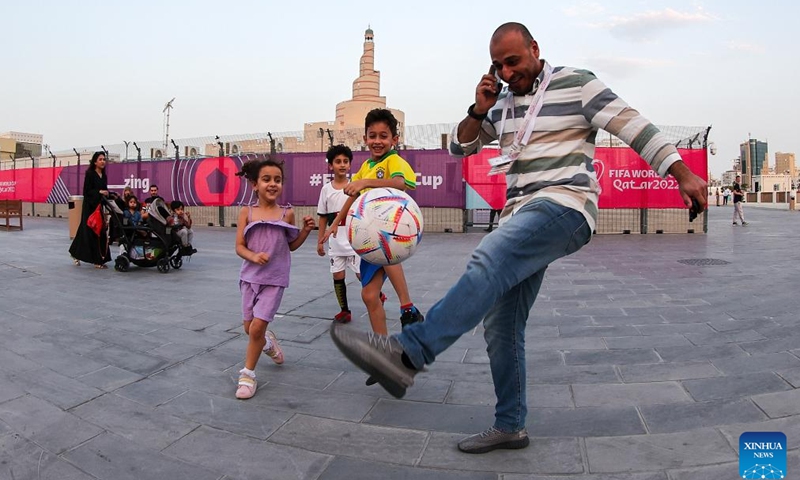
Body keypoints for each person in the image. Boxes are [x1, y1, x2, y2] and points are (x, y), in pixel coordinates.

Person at [329, 22, 707, 454]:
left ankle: (407, 354)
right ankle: (511, 425)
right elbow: (460, 148)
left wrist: (681, 173)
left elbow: (633, 126)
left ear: (534, 49)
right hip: (518, 214)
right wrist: (478, 109)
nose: (509, 71)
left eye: (515, 61)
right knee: (501, 325)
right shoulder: (502, 103)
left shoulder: (576, 84)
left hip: (564, 205)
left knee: (488, 258)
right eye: (500, 65)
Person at [324, 109, 424, 335]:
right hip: (369, 238)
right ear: (365, 138)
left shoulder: (393, 160)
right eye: (372, 135)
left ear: (394, 140)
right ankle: (383, 350)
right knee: (369, 296)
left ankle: (407, 307)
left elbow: (400, 184)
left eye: (383, 136)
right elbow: (351, 198)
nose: (377, 141)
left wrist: (364, 183)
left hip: (392, 231)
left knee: (385, 240)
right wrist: (334, 224)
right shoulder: (366, 167)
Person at [233, 157, 315, 399]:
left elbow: (291, 246)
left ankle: (248, 375)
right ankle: (268, 344)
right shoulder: (246, 212)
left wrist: (306, 231)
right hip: (249, 278)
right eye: (266, 179)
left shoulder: (286, 213)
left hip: (275, 280)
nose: (272, 184)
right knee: (250, 329)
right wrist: (253, 256)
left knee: (257, 326)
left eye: (277, 180)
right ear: (254, 184)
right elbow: (239, 246)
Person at [317, 145, 362, 324]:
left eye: (345, 161)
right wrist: (320, 241)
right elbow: (322, 217)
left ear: (350, 165)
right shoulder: (326, 190)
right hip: (335, 241)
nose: (342, 165)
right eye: (338, 162)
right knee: (337, 275)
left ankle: (376, 294)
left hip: (354, 239)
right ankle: (344, 311)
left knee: (361, 274)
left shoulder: (355, 188)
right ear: (331, 166)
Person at [69, 151, 112, 269]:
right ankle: (97, 260)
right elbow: (87, 192)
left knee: (91, 232)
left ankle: (75, 253)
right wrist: (99, 192)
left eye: (104, 159)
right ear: (95, 162)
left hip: (99, 207)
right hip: (90, 207)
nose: (103, 161)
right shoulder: (90, 174)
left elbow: (104, 190)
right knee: (91, 231)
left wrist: (108, 194)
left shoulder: (104, 175)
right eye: (100, 159)